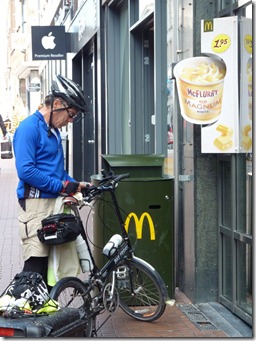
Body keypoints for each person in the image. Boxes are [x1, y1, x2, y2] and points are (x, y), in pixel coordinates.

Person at [13, 75, 89, 288]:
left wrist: (76, 184)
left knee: (50, 266)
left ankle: (41, 313)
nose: (71, 120)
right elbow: (26, 170)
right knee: (35, 264)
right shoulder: (29, 128)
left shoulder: (53, 131)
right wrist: (62, 187)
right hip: (36, 206)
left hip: (52, 203)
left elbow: (57, 171)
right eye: (71, 114)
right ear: (56, 104)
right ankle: (16, 309)